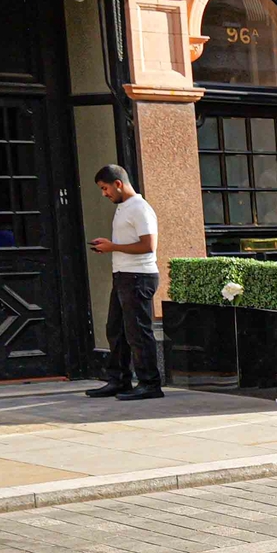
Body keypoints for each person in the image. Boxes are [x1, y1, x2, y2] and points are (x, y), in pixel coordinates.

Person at [86, 165, 162, 400]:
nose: (104, 193)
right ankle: (119, 381)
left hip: (139, 277)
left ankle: (150, 384)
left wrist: (113, 247)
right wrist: (110, 247)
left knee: (138, 333)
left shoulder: (139, 208)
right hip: (123, 276)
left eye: (105, 188)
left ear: (118, 184)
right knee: (116, 331)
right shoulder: (124, 207)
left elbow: (149, 245)